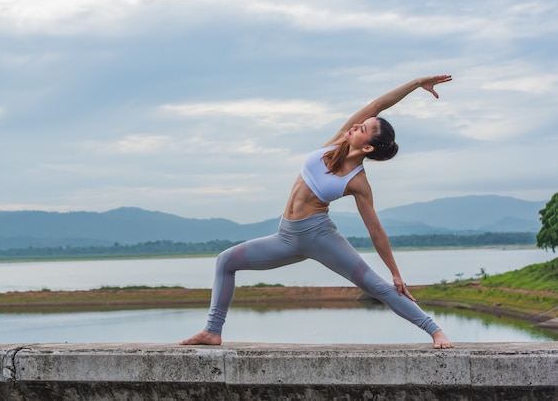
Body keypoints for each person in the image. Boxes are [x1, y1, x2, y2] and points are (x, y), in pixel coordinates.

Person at [180, 75, 455, 349]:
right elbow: (378, 104)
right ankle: (212, 332)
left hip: (320, 237)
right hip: (285, 237)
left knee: (375, 286)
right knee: (225, 261)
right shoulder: (338, 142)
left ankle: (435, 331)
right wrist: (417, 83)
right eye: (362, 123)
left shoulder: (357, 182)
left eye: (364, 128)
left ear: (368, 147)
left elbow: (376, 231)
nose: (358, 124)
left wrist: (396, 272)